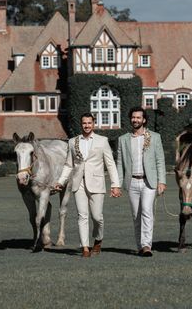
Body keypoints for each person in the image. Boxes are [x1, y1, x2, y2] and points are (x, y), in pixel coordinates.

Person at [54, 112, 121, 257]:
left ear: (93, 124)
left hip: (97, 182)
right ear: (81, 124)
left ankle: (98, 239)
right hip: (78, 184)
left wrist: (115, 185)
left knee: (97, 217)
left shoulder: (102, 141)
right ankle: (84, 247)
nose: (87, 125)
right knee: (82, 216)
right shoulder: (72, 142)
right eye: (84, 123)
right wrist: (61, 181)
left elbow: (110, 164)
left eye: (89, 123)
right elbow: (68, 165)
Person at [116, 106, 166, 257]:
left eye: (138, 117)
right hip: (132, 182)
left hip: (148, 182)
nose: (135, 120)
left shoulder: (155, 137)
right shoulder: (123, 139)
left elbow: (160, 160)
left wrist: (162, 181)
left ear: (144, 120)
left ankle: (146, 245)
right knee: (136, 216)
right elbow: (119, 163)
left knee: (146, 212)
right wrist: (117, 184)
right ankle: (139, 245)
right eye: (133, 117)